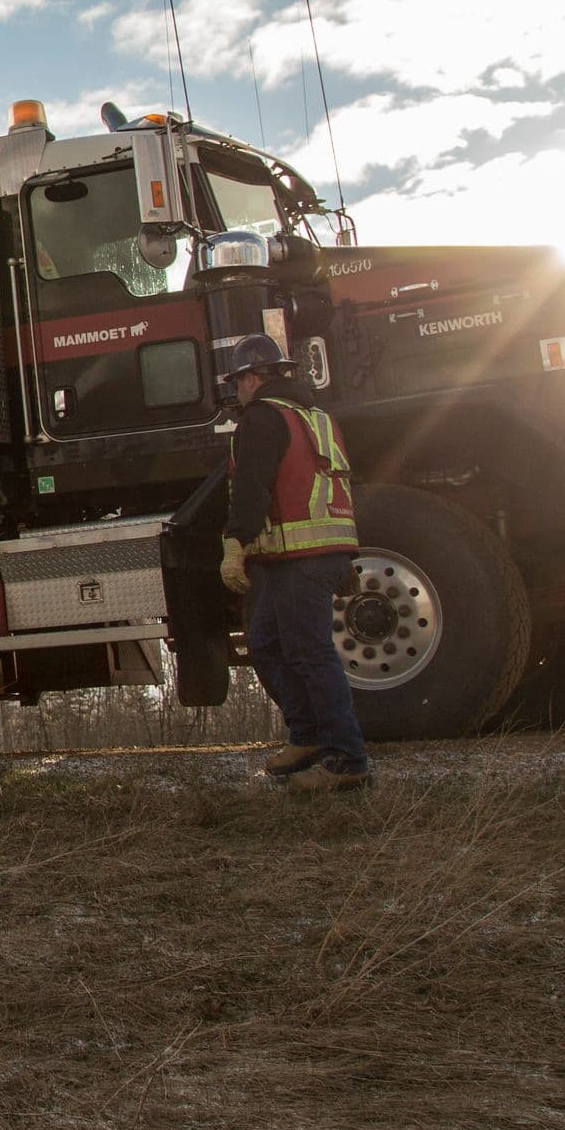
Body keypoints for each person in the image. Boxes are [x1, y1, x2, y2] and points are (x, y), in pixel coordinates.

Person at [216, 334, 371, 792]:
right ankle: (307, 737)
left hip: (302, 557)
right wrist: (341, 554)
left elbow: (253, 486)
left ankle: (348, 759)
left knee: (308, 652)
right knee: (267, 642)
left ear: (251, 377)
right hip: (316, 551)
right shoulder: (316, 417)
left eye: (238, 382)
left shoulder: (263, 417)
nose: (238, 392)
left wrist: (235, 542)